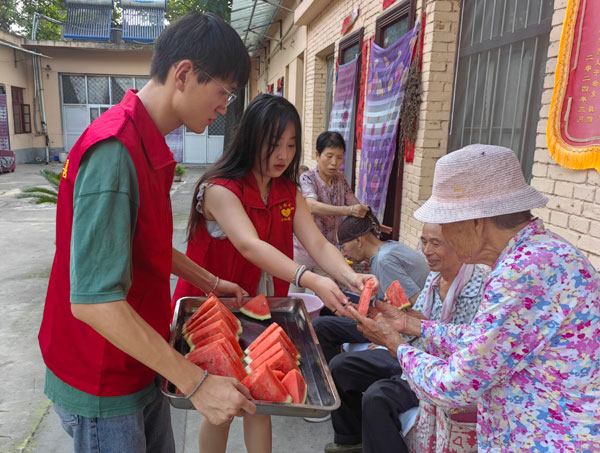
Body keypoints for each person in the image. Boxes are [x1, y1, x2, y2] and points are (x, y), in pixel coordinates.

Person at [38, 13, 256, 453]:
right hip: (102, 374)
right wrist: (197, 383)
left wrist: (211, 283)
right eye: (223, 93)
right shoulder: (114, 150)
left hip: (140, 356)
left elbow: (147, 244)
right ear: (184, 74)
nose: (222, 107)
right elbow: (94, 302)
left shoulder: (149, 142)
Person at [350, 144, 600, 452]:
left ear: (475, 222)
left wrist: (395, 344)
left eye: (445, 226)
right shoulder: (540, 254)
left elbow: (456, 385)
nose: (443, 240)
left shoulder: (523, 269)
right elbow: (484, 341)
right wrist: (413, 326)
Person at [172, 94, 377, 453]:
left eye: (290, 145)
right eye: (273, 144)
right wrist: (309, 278)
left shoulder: (287, 190)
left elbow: (318, 244)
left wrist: (350, 277)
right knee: (219, 410)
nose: (283, 155)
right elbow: (249, 245)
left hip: (258, 308)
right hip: (211, 312)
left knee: (261, 401)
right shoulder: (219, 190)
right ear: (251, 139)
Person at [323, 223, 488, 453]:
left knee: (377, 397)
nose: (426, 250)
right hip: (410, 353)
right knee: (341, 366)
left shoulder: (479, 289)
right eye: (424, 241)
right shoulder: (433, 280)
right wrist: (391, 323)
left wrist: (393, 338)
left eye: (436, 243)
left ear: (460, 244)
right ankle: (349, 439)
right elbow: (418, 322)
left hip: (436, 371)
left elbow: (461, 353)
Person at [312, 212, 429, 364]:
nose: (343, 253)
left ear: (359, 240)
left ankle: (330, 380)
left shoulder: (383, 261)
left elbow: (412, 305)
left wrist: (387, 338)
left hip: (401, 325)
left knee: (320, 326)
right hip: (386, 312)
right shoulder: (392, 246)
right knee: (332, 305)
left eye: (344, 247)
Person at [291, 131, 369, 290]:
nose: (334, 162)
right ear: (317, 155)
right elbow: (311, 205)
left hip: (328, 253)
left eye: (339, 157)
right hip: (302, 252)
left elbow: (354, 204)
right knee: (295, 299)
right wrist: (349, 211)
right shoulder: (307, 177)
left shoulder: (340, 179)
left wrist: (370, 220)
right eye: (329, 156)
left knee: (329, 300)